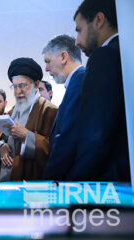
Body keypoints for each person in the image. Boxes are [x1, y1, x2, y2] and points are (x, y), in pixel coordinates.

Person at [52, 0, 130, 181]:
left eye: (79, 30)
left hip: (111, 185)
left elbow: (96, 136)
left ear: (99, 20)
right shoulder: (125, 52)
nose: (77, 41)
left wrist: (77, 186)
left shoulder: (105, 57)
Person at [0, 58, 57, 183]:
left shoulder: (49, 111)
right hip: (5, 183)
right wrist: (1, 147)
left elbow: (57, 153)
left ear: (36, 85)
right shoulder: (12, 111)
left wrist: (27, 136)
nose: (17, 92)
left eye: (22, 86)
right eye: (14, 87)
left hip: (31, 187)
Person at [41, 34, 85, 180]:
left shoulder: (80, 82)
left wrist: (50, 180)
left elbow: (69, 138)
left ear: (63, 57)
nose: (46, 69)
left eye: (48, 61)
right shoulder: (76, 83)